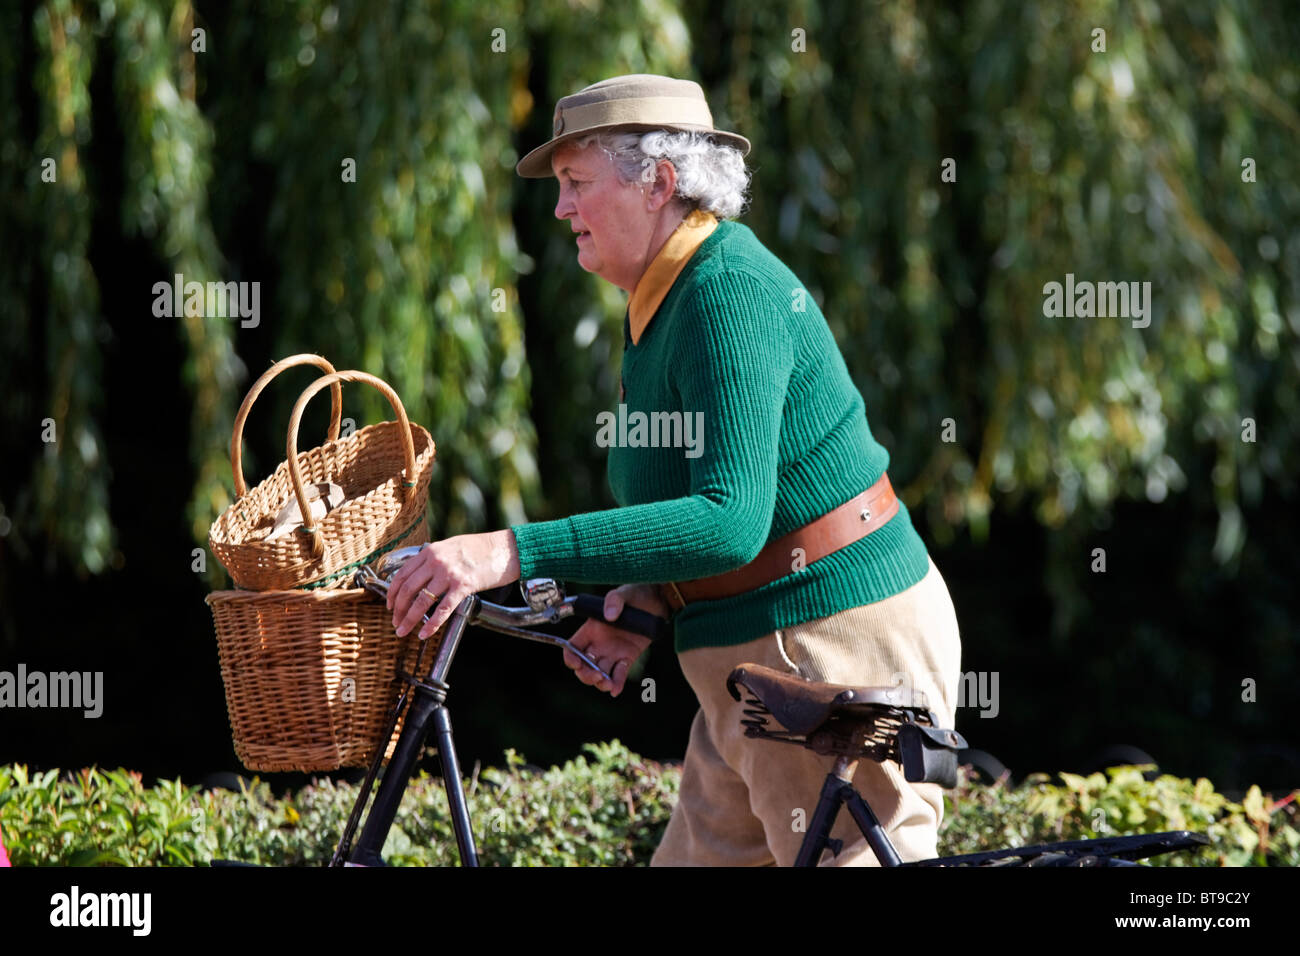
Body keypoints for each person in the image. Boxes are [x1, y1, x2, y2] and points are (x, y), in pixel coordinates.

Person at [386, 74, 962, 866]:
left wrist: (505, 553)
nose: (559, 210)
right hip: (755, 658)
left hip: (828, 645)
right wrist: (647, 605)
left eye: (575, 184)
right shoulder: (667, 294)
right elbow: (715, 501)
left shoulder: (726, 290)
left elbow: (729, 519)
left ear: (657, 182)